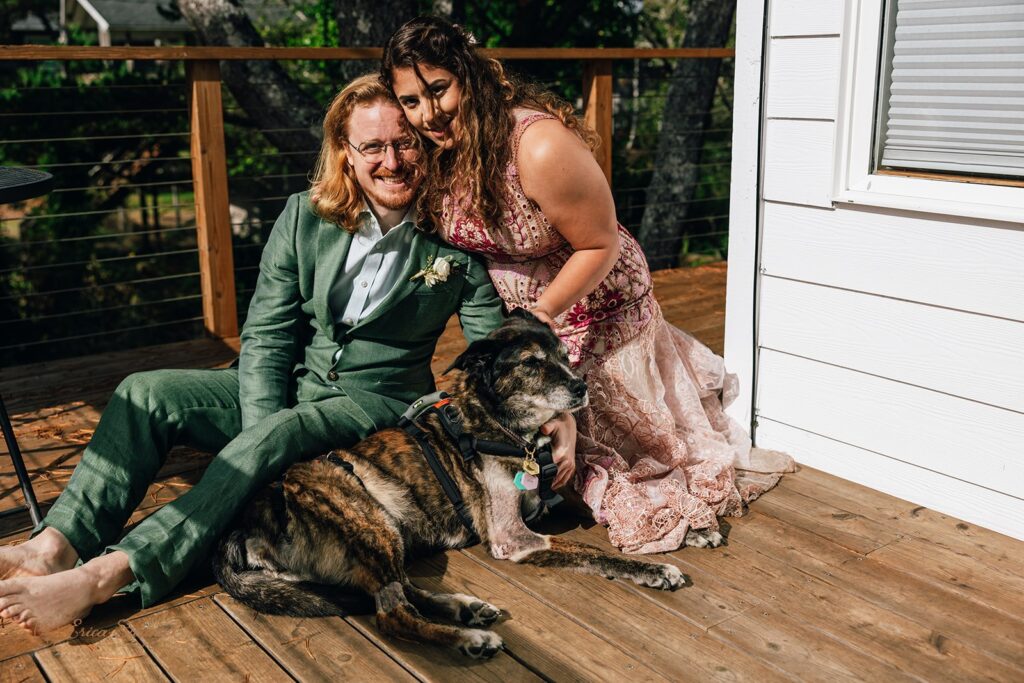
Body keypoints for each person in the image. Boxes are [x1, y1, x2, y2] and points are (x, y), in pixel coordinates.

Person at [0, 74, 574, 635]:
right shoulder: (305, 215)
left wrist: (556, 411)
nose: (391, 160)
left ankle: (110, 573)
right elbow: (268, 334)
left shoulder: (456, 239)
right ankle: (56, 543)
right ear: (346, 154)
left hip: (372, 402)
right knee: (143, 392)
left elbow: (495, 353)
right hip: (296, 382)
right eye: (371, 146)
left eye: (404, 143)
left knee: (271, 437)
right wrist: (260, 434)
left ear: (423, 145)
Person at [382, 17, 795, 555]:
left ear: (472, 75)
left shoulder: (537, 146)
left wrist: (536, 318)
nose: (428, 114)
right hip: (525, 316)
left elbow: (601, 244)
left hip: (592, 302)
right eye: (411, 101)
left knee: (609, 467)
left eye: (439, 90)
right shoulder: (434, 150)